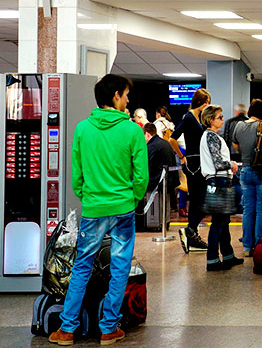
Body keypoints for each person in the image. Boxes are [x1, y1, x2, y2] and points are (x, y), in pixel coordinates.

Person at [48, 75, 148, 346]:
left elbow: (77, 174)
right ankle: (109, 328)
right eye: (126, 95)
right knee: (119, 267)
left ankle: (67, 329)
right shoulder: (132, 131)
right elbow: (141, 176)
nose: (128, 100)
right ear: (115, 96)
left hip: (93, 208)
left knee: (82, 266)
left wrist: (88, 197)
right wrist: (132, 198)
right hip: (123, 209)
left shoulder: (82, 129)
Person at [199, 105, 244, 272]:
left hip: (219, 181)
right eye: (219, 117)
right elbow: (218, 162)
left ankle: (228, 255)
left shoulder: (211, 136)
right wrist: (231, 164)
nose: (222, 119)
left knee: (224, 221)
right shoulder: (211, 136)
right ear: (211, 120)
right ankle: (212, 259)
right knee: (218, 222)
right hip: (218, 181)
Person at [233, 99, 262, 256]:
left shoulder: (239, 125)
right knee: (261, 209)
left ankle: (247, 246)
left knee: (248, 209)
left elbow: (235, 145)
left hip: (245, 170)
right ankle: (259, 244)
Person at [169, 88, 211, 254]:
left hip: (200, 162)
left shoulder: (198, 118)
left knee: (196, 202)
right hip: (194, 164)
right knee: (201, 201)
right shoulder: (188, 118)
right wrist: (181, 156)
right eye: (206, 103)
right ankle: (190, 230)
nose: (208, 106)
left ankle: (192, 233)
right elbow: (173, 138)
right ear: (200, 102)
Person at [141, 123, 179, 231]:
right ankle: (164, 222)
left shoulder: (152, 146)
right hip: (169, 180)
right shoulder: (165, 143)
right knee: (164, 203)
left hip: (158, 181)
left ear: (147, 134)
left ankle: (155, 223)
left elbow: (148, 167)